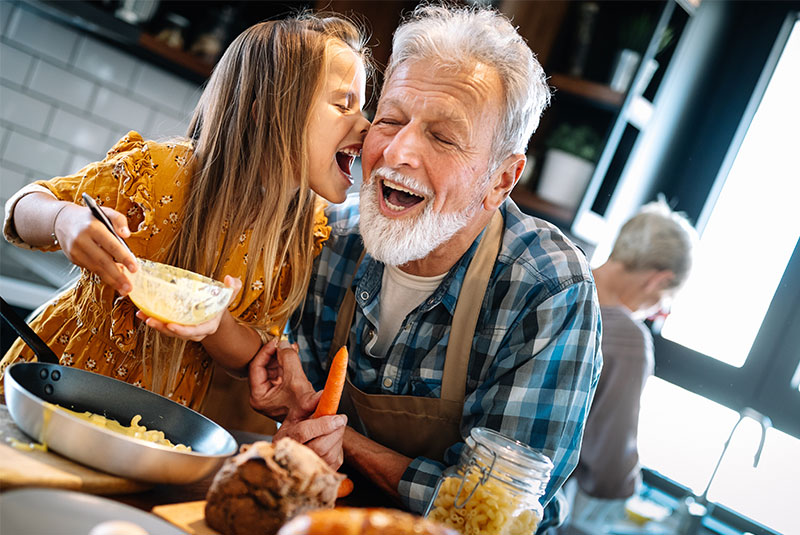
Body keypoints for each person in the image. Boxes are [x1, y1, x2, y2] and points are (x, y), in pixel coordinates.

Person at [248, 3, 602, 529]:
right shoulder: (334, 243)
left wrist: (344, 439)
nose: (398, 151)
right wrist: (295, 408)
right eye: (390, 120)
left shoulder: (546, 290)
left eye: (442, 137)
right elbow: (306, 438)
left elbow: (488, 514)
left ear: (501, 180)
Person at [0, 13, 371, 440]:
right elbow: (21, 208)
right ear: (266, 114)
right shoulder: (160, 174)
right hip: (49, 385)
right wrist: (64, 220)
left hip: (150, 428)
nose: (365, 124)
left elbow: (250, 355)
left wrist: (216, 323)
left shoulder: (301, 232)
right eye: (344, 105)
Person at [560, 199, 697, 532]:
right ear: (658, 280)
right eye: (660, 305)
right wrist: (628, 485)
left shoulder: (557, 274)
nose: (652, 314)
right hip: (525, 503)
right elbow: (609, 468)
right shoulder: (628, 340)